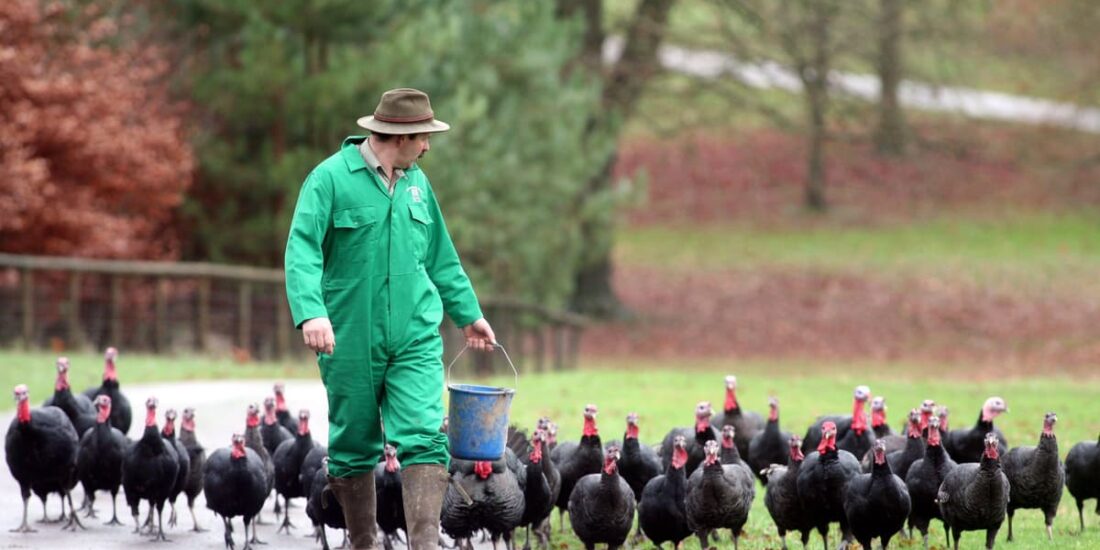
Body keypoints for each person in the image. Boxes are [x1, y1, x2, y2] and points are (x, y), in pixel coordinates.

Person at [284, 87, 496, 549]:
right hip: (348, 337)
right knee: (353, 443)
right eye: (424, 137)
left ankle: (424, 544)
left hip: (415, 335)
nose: (428, 146)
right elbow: (301, 249)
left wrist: (468, 314)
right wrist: (311, 313)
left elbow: (441, 256)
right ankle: (363, 542)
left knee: (424, 434)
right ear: (401, 136)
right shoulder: (329, 180)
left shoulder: (418, 185)